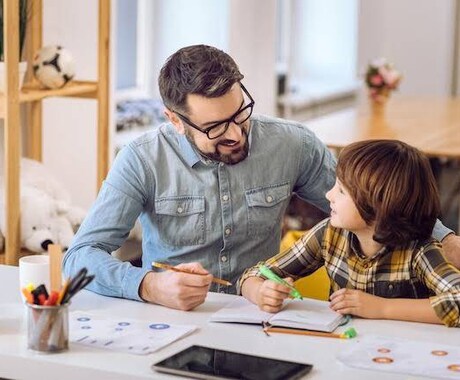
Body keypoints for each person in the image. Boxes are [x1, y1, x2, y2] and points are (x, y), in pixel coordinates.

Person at [63, 44, 460, 311]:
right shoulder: (141, 160)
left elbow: (370, 205)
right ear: (175, 120)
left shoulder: (292, 144)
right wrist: (148, 286)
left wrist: (445, 238)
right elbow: (79, 257)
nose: (236, 134)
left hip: (262, 316)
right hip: (173, 320)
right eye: (216, 127)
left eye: (241, 113)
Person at [239, 140, 460, 327]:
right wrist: (260, 292)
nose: (328, 195)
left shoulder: (420, 250)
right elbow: (255, 274)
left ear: (379, 206)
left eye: (342, 191)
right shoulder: (329, 233)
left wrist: (382, 308)